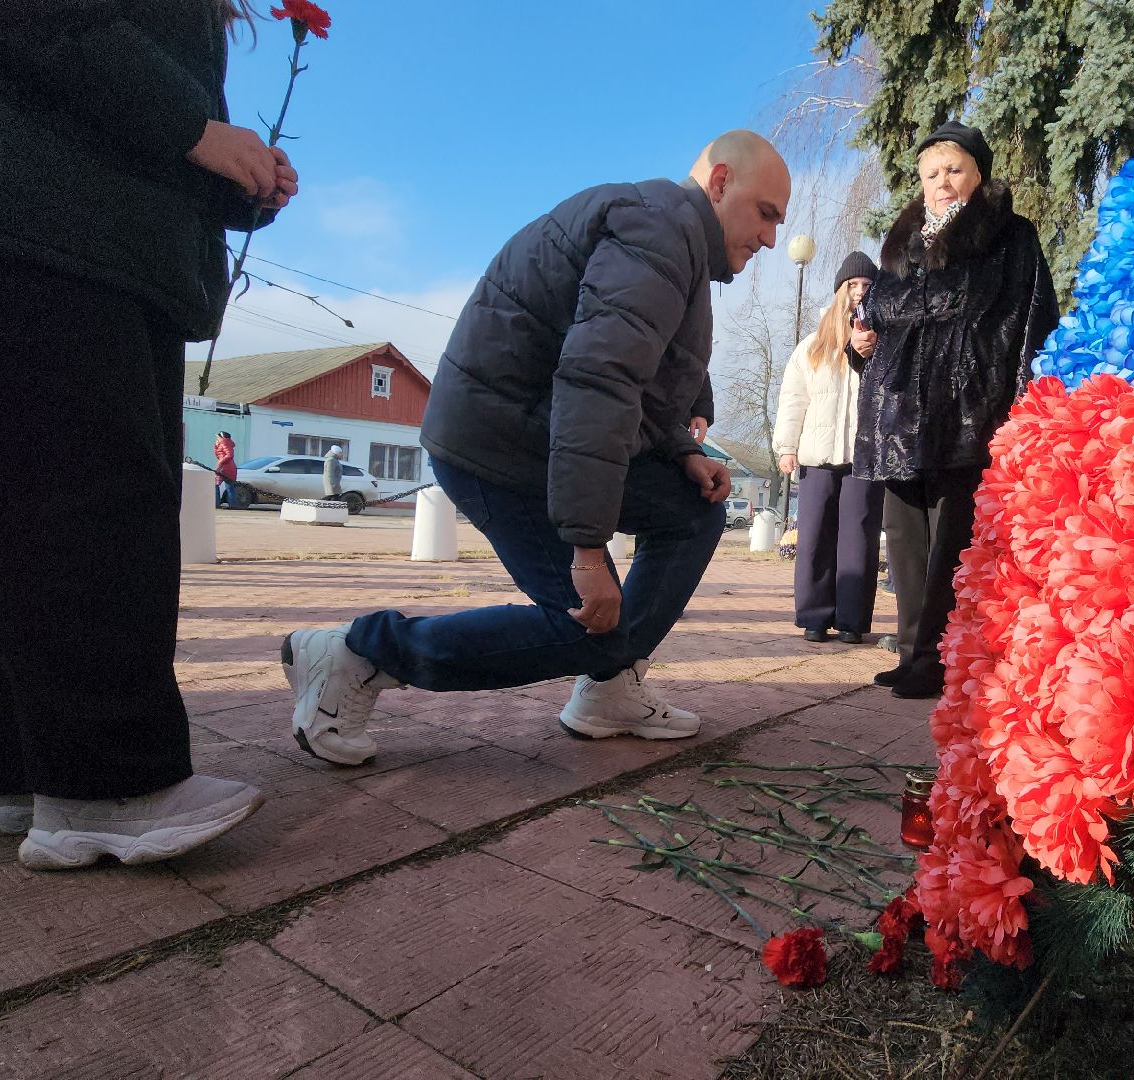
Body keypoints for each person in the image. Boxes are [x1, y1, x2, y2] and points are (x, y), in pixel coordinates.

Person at [0, 0, 299, 867]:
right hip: (0, 181)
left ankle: (17, 773)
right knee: (89, 496)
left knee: (49, 501)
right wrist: (190, 127)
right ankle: (108, 786)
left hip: (52, 197)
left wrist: (237, 173)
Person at [280, 131, 789, 766]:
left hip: (540, 436)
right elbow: (595, 384)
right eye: (766, 213)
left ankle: (610, 691)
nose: (771, 239)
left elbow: (630, 382)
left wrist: (679, 450)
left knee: (692, 509)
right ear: (719, 183)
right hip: (497, 447)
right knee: (592, 625)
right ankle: (358, 653)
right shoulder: (657, 234)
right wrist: (586, 549)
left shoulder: (670, 238)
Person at [853, 121, 1057, 699]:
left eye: (953, 170)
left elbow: (989, 306)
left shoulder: (1007, 234)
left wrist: (1022, 408)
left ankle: (942, 657)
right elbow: (880, 310)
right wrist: (860, 345)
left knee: (951, 541)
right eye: (930, 174)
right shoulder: (906, 242)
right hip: (897, 411)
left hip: (965, 406)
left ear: (979, 174)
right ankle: (914, 648)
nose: (940, 183)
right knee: (905, 538)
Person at [773, 250, 883, 644]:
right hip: (817, 455)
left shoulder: (881, 343)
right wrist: (787, 446)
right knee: (815, 535)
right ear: (839, 291)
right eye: (851, 285)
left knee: (858, 536)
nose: (858, 292)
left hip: (863, 456)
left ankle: (852, 620)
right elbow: (793, 398)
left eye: (866, 286)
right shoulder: (812, 347)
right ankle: (816, 617)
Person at [213, 430, 238, 507]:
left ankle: (216, 503)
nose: (216, 439)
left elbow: (229, 455)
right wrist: (216, 445)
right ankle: (232, 504)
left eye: (217, 437)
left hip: (224, 467)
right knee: (230, 487)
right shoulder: (226, 443)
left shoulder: (224, 443)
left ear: (222, 437)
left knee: (214, 484)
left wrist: (220, 462)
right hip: (230, 467)